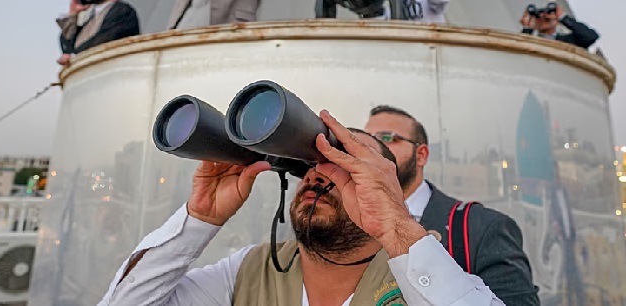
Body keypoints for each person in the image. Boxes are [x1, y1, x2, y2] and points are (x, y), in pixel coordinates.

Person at [98, 110, 505, 305]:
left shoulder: (423, 274)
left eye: (347, 165)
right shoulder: (249, 271)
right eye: (312, 163)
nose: (319, 175)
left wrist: (395, 224)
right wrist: (198, 220)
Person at [362, 105, 540, 306]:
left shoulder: (483, 228)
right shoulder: (350, 224)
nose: (371, 147)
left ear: (421, 155)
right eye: (365, 140)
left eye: (386, 138)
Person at [56, 0, 140, 66]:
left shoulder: (123, 11)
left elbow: (104, 40)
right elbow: (68, 46)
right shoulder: (91, 21)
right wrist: (73, 14)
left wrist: (75, 57)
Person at [520, 2, 599, 49]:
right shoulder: (532, 41)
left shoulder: (568, 41)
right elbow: (520, 50)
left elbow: (590, 37)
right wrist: (527, 28)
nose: (543, 17)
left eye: (547, 18)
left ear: (557, 21)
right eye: (538, 17)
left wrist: (563, 18)